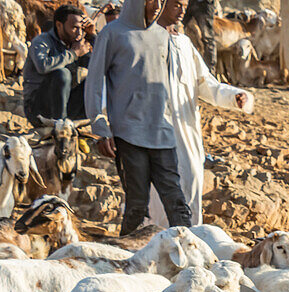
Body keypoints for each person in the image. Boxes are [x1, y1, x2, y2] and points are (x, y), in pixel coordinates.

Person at [85, 0, 192, 235]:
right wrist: (100, 126)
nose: (157, 5)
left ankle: (192, 260)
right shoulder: (112, 34)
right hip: (128, 134)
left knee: (177, 203)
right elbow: (94, 83)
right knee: (137, 205)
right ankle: (126, 262)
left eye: (161, 0)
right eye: (151, 0)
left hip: (162, 133)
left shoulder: (163, 36)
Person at [149, 0, 250, 227]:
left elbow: (207, 85)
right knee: (158, 197)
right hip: (156, 132)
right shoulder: (144, 39)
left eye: (184, 4)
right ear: (161, 4)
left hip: (187, 132)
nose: (182, 9)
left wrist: (234, 96)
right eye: (176, 4)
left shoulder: (184, 43)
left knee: (192, 182)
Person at [23, 5, 94, 122]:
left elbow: (101, 65)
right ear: (59, 25)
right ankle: (61, 126)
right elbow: (42, 66)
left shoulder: (76, 43)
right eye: (74, 28)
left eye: (81, 28)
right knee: (62, 73)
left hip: (66, 104)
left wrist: (92, 36)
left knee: (95, 77)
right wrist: (73, 54)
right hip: (38, 109)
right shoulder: (42, 41)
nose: (79, 33)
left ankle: (73, 123)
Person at [181, 0, 214, 67]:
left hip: (203, 4)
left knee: (207, 38)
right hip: (188, 2)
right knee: (177, 31)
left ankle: (210, 70)